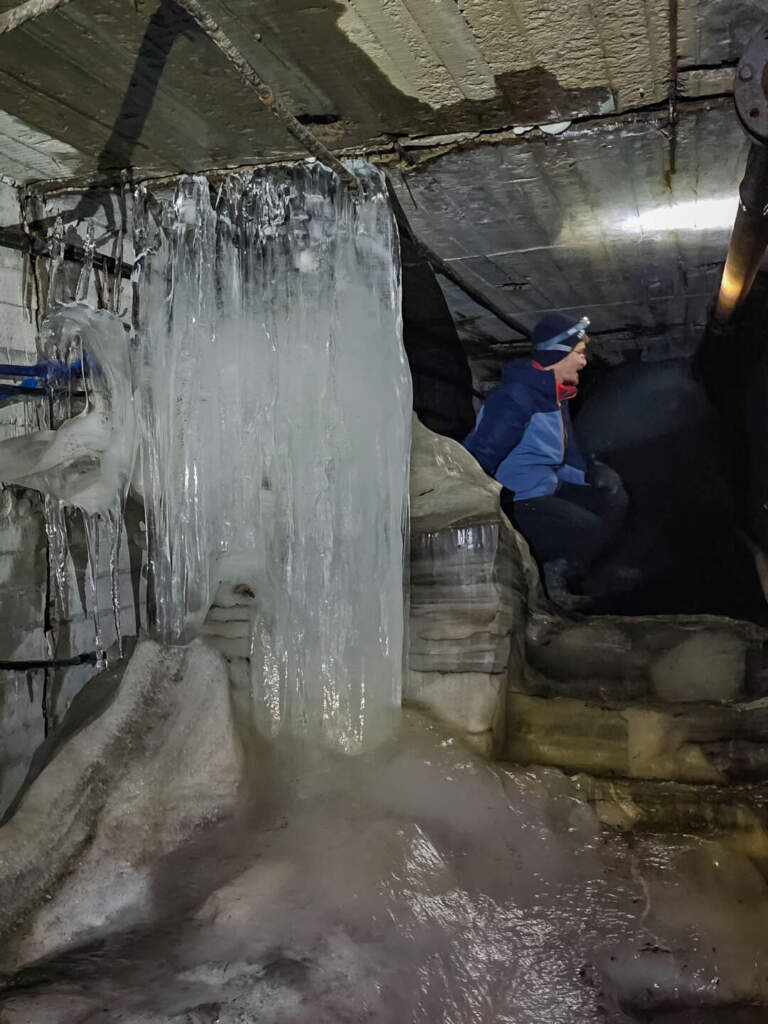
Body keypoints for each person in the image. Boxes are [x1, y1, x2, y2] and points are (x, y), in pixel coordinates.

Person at [463, 312, 627, 609]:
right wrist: (476, 511)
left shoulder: (554, 398)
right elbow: (479, 456)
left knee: (613, 501)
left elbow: (562, 459)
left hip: (544, 490)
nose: (584, 361)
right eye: (578, 354)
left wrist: (592, 476)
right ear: (558, 355)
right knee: (587, 528)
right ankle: (547, 587)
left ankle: (571, 574)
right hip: (516, 501)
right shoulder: (517, 399)